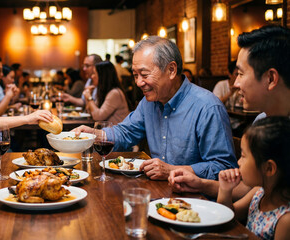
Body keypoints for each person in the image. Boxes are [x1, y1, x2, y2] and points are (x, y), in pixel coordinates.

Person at [74, 36, 237, 180]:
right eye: (135, 75)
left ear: (171, 70)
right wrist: (96, 135)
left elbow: (224, 168)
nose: (138, 83)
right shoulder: (149, 102)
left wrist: (172, 170)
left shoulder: (207, 107)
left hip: (197, 202)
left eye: (144, 75)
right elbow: (127, 132)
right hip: (158, 192)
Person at [169, 25, 290, 198]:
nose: (235, 84)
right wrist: (200, 184)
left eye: (240, 74)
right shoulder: (261, 120)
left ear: (270, 78)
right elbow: (249, 189)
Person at [217, 117, 290, 240]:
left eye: (243, 156)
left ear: (269, 168)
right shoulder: (259, 192)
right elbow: (227, 215)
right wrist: (225, 190)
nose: (239, 162)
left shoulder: (285, 220)